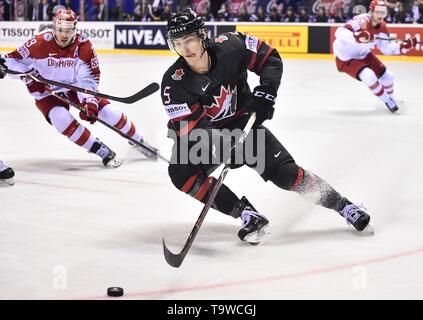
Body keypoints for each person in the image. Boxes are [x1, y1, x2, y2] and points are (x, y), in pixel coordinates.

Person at [161, 8, 371, 245]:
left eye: (189, 40)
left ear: (202, 35)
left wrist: (267, 92)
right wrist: (222, 144)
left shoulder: (232, 45)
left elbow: (269, 58)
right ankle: (246, 214)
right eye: (178, 43)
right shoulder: (173, 84)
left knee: (287, 175)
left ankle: (344, 206)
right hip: (204, 137)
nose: (185, 48)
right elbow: (192, 131)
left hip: (242, 124)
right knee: (182, 174)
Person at [0, 8, 157, 168]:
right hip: (47, 91)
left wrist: (90, 102)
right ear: (54, 28)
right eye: (60, 30)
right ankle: (99, 149)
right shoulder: (39, 42)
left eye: (68, 30)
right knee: (59, 118)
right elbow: (12, 60)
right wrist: (26, 74)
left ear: (74, 29)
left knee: (110, 113)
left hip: (75, 87)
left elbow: (88, 78)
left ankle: (139, 141)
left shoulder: (83, 46)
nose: (64, 35)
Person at [333, 0, 418, 113]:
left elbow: (386, 48)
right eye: (377, 12)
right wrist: (356, 37)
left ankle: (391, 98)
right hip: (346, 56)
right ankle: (387, 101)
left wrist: (402, 47)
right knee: (369, 76)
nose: (380, 16)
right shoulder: (361, 21)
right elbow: (338, 32)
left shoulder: (382, 27)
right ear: (371, 11)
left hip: (363, 53)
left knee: (389, 77)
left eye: (383, 13)